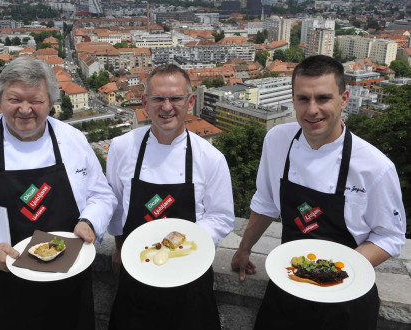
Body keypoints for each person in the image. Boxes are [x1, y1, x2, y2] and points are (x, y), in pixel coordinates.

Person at [0, 57, 117, 329]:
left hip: (70, 288)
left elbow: (102, 196)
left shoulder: (73, 140)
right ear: (0, 99)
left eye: (36, 101)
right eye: (14, 99)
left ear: (51, 102)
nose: (25, 109)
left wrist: (89, 222)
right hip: (3, 291)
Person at [231, 55, 407, 329]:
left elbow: (391, 235)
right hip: (288, 286)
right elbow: (265, 202)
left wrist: (336, 272)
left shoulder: (375, 166)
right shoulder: (278, 141)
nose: (312, 110)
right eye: (303, 99)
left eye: (323, 98)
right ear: (293, 100)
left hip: (347, 295)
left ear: (344, 98)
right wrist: (244, 249)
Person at [106, 64, 234, 329]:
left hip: (190, 277)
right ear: (144, 103)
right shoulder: (122, 147)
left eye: (175, 98)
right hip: (137, 269)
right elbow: (116, 206)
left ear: (190, 101)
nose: (166, 107)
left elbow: (221, 217)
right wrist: (120, 247)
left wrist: (186, 248)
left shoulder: (210, 158)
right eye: (158, 99)